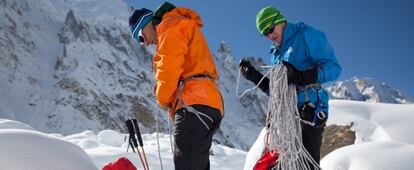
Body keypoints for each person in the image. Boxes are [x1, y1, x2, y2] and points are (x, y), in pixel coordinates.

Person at [239, 6, 342, 166]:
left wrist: (301, 76)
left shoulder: (306, 35)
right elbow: (277, 92)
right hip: (287, 115)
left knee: (304, 164)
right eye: (265, 33)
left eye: (271, 29)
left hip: (310, 108)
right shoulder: (276, 53)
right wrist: (254, 76)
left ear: (280, 20)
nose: (270, 35)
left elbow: (334, 68)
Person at [128, 2, 224, 170]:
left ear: (147, 23)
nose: (146, 43)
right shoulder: (180, 24)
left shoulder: (169, 25)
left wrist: (162, 96)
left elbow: (169, 67)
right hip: (208, 103)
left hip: (193, 104)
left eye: (142, 38)